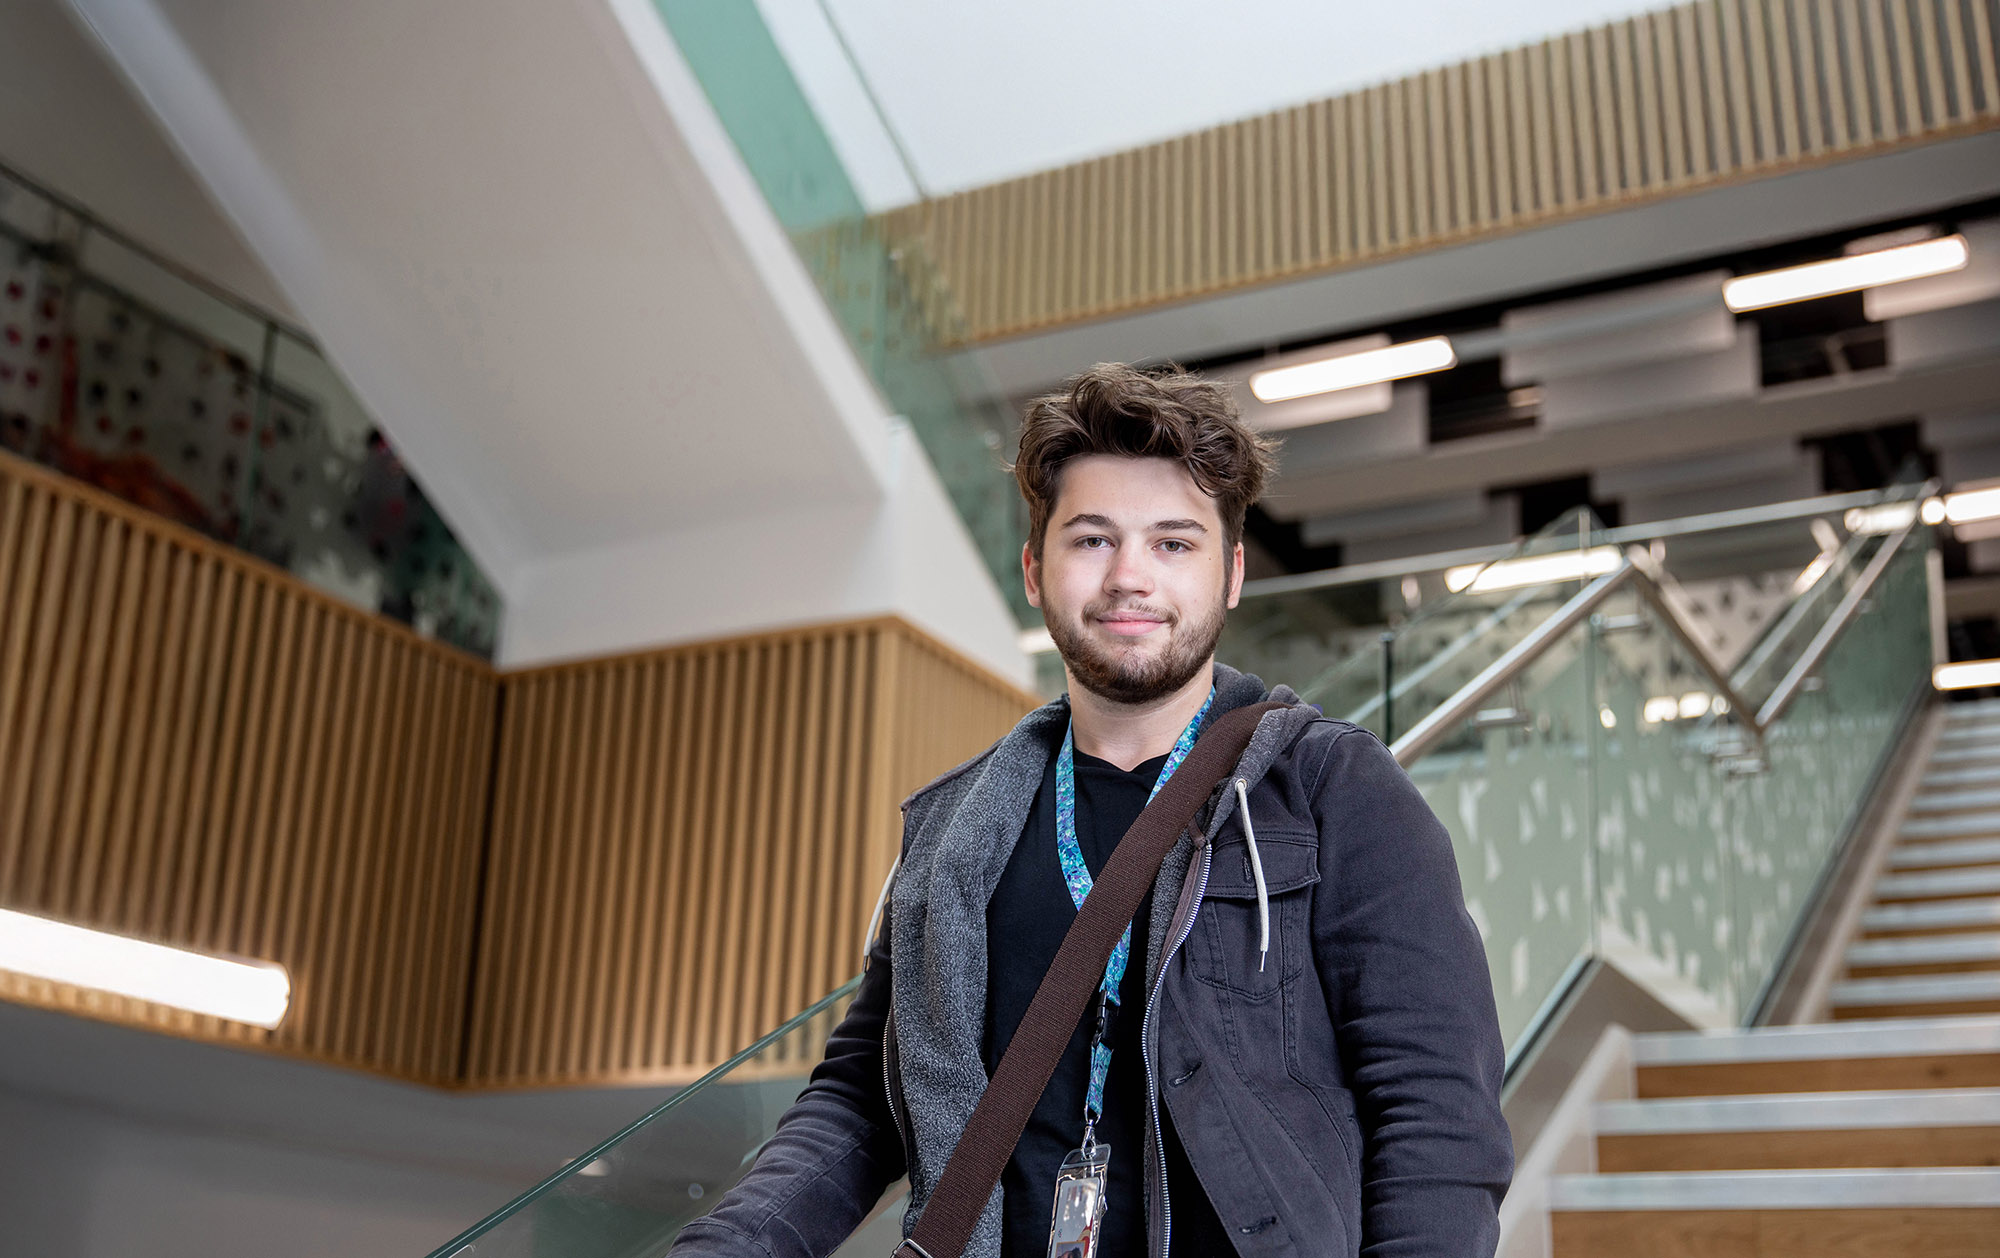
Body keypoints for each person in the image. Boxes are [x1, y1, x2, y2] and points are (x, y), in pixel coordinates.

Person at [671, 364, 1513, 1258]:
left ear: (1231, 575)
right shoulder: (956, 830)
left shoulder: (1335, 791)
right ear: (1036, 571)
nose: (1129, 578)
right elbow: (859, 1102)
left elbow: (1439, 1119)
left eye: (1174, 544)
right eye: (1093, 540)